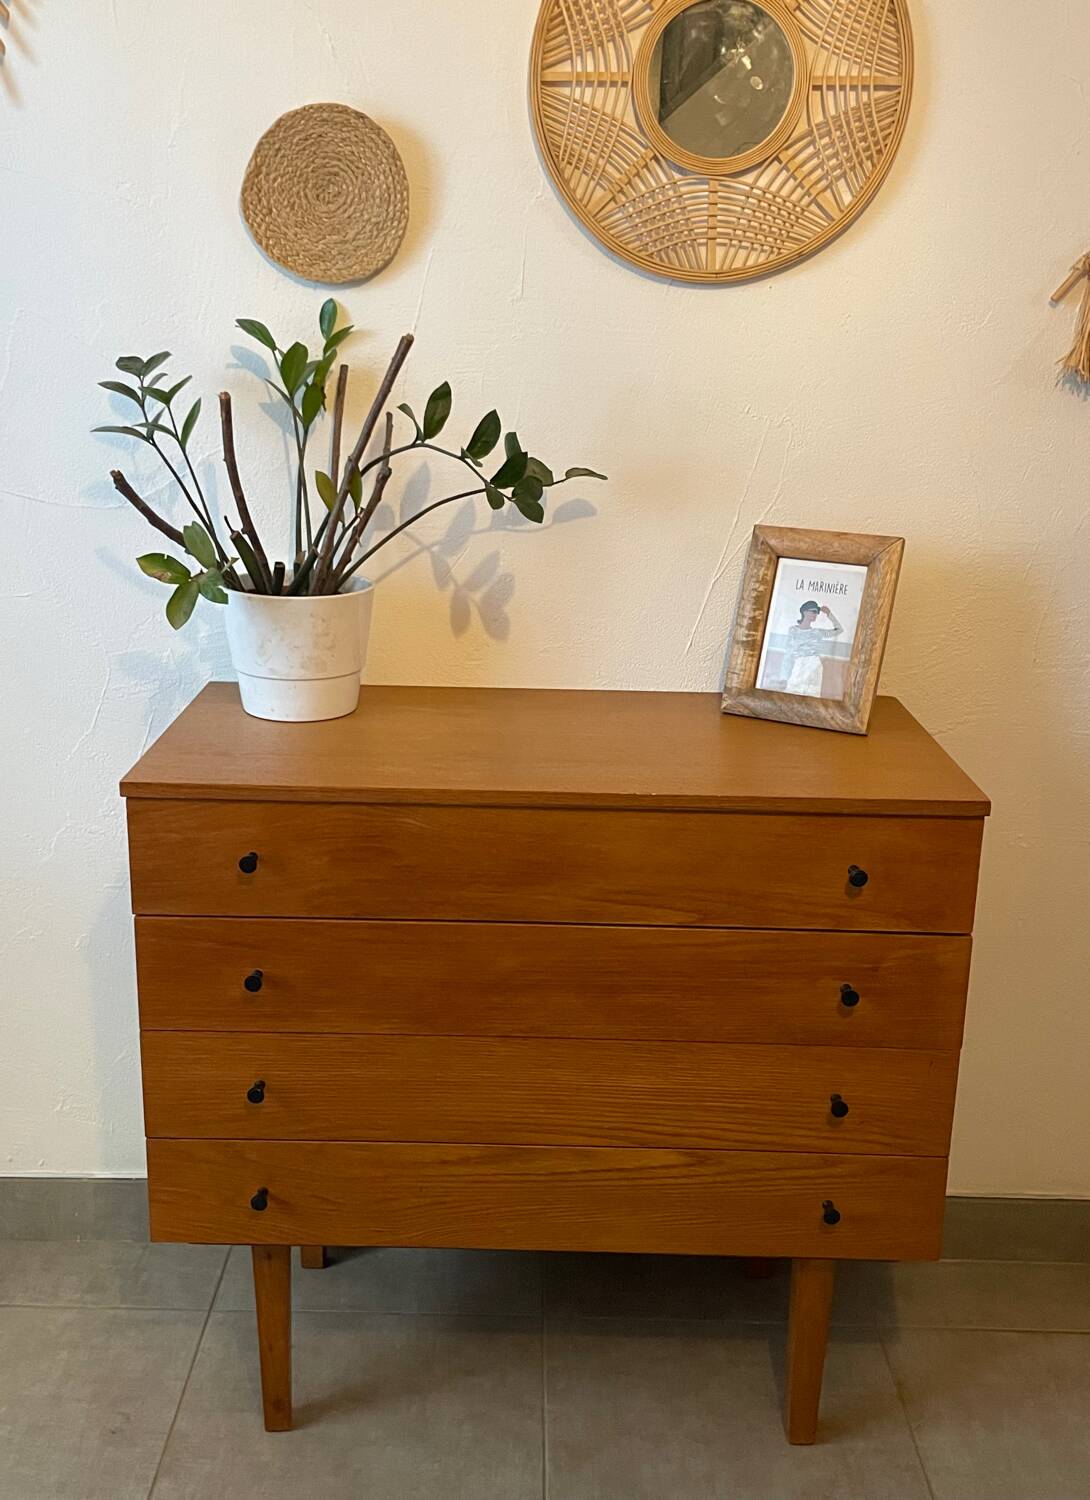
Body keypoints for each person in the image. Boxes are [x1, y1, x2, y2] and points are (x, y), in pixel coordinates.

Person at [778, 600, 843, 696]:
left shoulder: (818, 632)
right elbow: (788, 654)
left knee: (811, 696)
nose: (815, 614)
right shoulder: (793, 630)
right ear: (804, 612)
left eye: (817, 612)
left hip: (814, 667)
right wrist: (783, 677)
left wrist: (829, 614)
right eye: (813, 611)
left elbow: (839, 630)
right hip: (799, 666)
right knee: (792, 694)